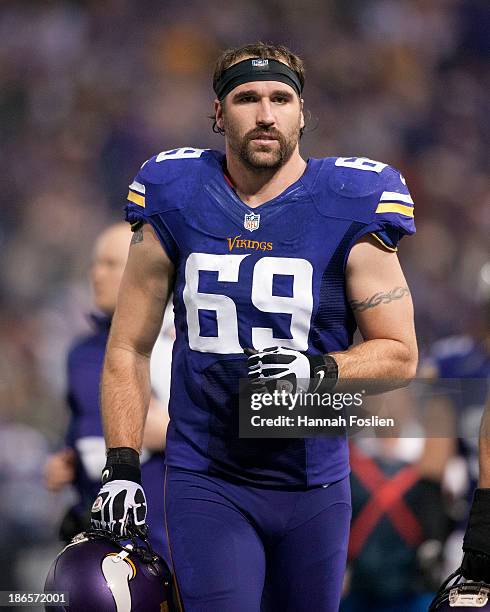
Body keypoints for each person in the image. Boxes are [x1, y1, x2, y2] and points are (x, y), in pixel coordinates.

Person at [90, 42, 418, 611]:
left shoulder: (351, 201)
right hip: (207, 476)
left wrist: (317, 371)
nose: (265, 114)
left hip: (314, 480)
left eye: (280, 98)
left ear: (301, 112)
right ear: (218, 113)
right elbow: (129, 347)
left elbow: (400, 354)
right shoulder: (175, 192)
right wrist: (122, 466)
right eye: (246, 98)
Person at [44, 222, 170, 559]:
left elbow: (288, 417)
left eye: (111, 264)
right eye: (95, 264)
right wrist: (63, 459)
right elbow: (82, 435)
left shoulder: (177, 343)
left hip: (164, 533)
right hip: (100, 526)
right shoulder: (81, 354)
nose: (96, 275)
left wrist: (175, 432)